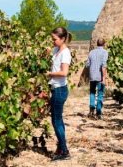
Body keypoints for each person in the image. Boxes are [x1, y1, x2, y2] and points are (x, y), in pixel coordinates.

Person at [46, 27, 72, 161]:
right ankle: (61, 147)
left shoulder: (65, 53)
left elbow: (64, 72)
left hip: (60, 89)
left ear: (62, 39)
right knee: (59, 120)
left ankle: (64, 151)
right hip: (55, 88)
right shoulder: (57, 50)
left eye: (55, 39)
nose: (53, 41)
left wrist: (49, 74)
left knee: (56, 121)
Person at [85, 38, 108, 120]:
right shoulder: (104, 52)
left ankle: (91, 109)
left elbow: (87, 65)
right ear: (104, 44)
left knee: (92, 93)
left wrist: (92, 71)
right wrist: (104, 78)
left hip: (92, 76)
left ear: (97, 44)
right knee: (100, 94)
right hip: (100, 77)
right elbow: (103, 66)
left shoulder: (91, 52)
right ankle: (98, 112)